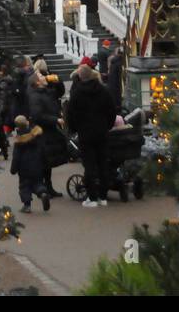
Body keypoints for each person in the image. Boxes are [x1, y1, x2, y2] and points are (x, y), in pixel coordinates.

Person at [67, 61, 117, 208]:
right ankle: (103, 196)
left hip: (85, 133)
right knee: (103, 163)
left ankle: (92, 197)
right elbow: (111, 111)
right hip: (102, 132)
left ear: (80, 77)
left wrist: (74, 129)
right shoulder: (103, 90)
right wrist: (107, 125)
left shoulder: (76, 93)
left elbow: (71, 114)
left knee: (89, 165)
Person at [26, 72, 65, 198]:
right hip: (42, 132)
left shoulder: (46, 91)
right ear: (37, 82)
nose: (44, 77)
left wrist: (58, 81)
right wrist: (55, 120)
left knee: (48, 162)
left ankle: (48, 187)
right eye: (41, 77)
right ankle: (41, 188)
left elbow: (59, 92)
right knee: (43, 162)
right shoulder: (35, 97)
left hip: (49, 131)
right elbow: (38, 116)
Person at [9, 116, 50, 214]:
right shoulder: (36, 135)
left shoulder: (19, 141)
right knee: (38, 182)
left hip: (24, 169)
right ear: (27, 123)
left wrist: (13, 169)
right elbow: (43, 150)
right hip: (37, 165)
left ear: (17, 127)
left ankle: (27, 206)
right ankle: (43, 193)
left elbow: (16, 157)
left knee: (24, 186)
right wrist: (45, 163)